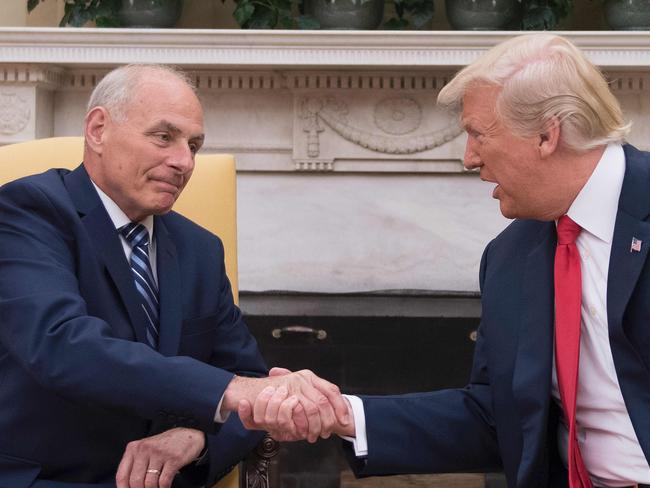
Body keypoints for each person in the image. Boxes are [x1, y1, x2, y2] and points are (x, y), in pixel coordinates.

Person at [238, 34, 650, 488]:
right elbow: (495, 418)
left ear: (546, 135)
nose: (469, 158)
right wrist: (344, 415)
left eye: (478, 134)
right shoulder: (511, 256)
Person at [0, 64, 348, 488]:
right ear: (98, 130)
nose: (184, 161)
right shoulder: (28, 212)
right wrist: (229, 392)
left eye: (194, 145)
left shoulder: (199, 248)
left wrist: (198, 437)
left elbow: (250, 381)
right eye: (163, 137)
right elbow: (63, 345)